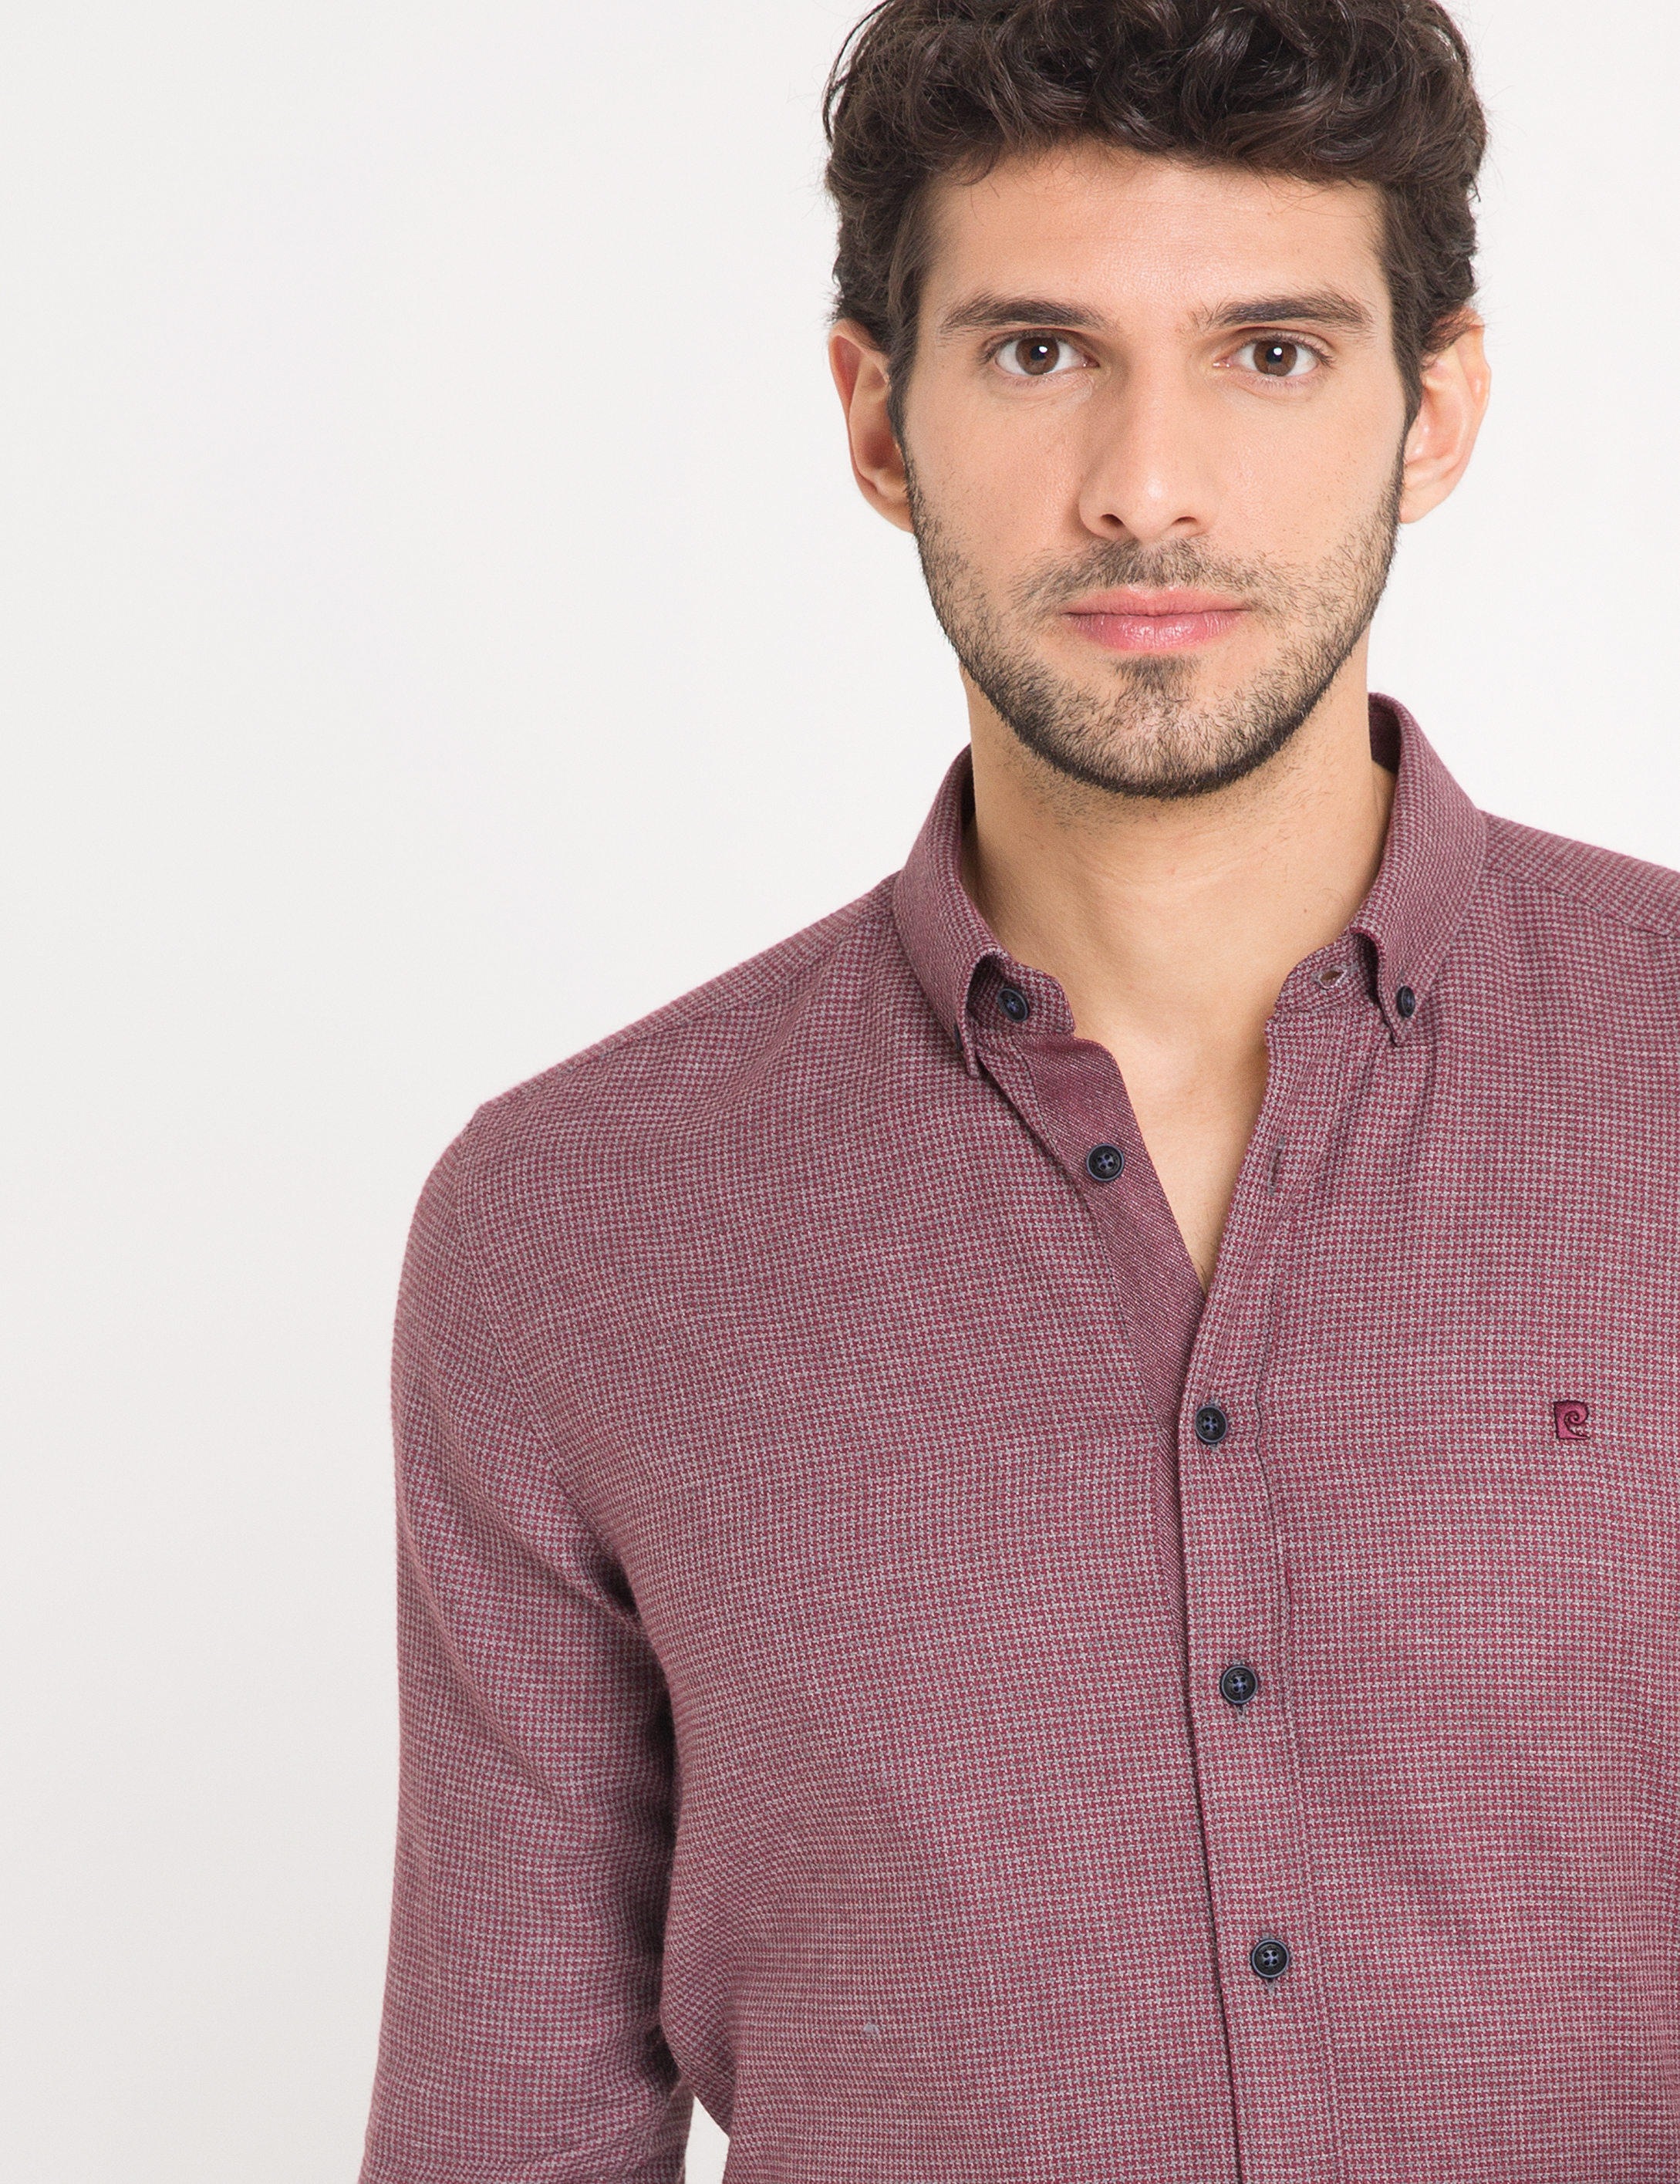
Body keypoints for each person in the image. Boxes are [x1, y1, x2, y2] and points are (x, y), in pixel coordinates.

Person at [359, 4, 1680, 2179]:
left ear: (1432, 409)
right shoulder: (575, 1227)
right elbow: (508, 2125)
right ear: (879, 420)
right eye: (1040, 351)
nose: (1147, 483)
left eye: (1269, 352)